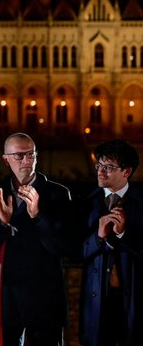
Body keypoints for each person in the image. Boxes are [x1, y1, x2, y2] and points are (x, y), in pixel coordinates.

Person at [0, 132, 71, 346]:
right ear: (5, 159)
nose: (27, 161)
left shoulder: (58, 194)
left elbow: (63, 246)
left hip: (46, 293)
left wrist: (38, 216)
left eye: (31, 155)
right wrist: (3, 224)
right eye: (19, 156)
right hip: (6, 292)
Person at [79, 140, 142, 346]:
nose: (100, 171)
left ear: (127, 171)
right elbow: (75, 251)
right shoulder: (86, 203)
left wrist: (124, 234)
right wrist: (98, 237)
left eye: (109, 167)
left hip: (133, 302)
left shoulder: (141, 203)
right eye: (99, 165)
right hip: (97, 302)